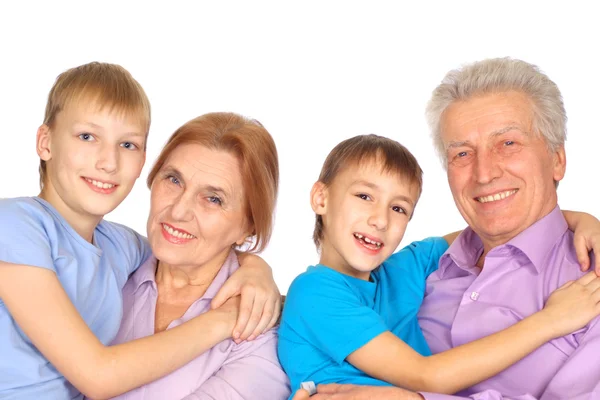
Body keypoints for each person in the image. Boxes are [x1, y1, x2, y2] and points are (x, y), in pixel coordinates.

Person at [306, 58, 600, 399]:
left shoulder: (587, 289)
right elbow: (313, 302)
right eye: (462, 153)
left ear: (557, 160)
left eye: (508, 143)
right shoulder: (424, 266)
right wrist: (254, 272)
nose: (484, 173)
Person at [0, 63, 281, 400]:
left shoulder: (119, 247)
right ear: (45, 143)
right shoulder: (16, 225)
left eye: (213, 199)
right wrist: (222, 321)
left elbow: (185, 251)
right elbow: (97, 376)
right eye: (173, 180)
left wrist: (256, 269)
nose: (108, 162)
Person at [109, 112, 290, 399]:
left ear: (249, 226)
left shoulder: (260, 335)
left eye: (213, 199)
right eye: (173, 180)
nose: (178, 211)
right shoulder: (109, 266)